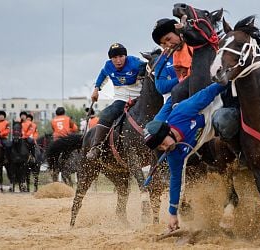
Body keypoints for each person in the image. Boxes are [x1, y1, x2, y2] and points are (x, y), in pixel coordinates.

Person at [143, 82, 227, 232]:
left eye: (163, 143)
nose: (164, 149)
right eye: (160, 148)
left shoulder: (184, 110)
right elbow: (176, 181)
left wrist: (228, 79)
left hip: (218, 109)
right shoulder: (173, 154)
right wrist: (172, 214)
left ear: (168, 132)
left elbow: (209, 91)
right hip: (208, 136)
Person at [86, 43, 146, 160]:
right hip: (121, 98)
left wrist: (142, 74)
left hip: (139, 96)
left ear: (125, 56)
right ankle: (96, 147)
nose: (118, 60)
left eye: (121, 56)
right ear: (111, 59)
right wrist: (96, 90)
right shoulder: (108, 66)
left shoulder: (136, 62)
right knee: (106, 115)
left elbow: (148, 67)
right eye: (114, 58)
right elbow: (103, 75)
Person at [151, 18, 193, 122]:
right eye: (164, 44)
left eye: (169, 39)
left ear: (178, 32)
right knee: (156, 125)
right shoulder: (161, 60)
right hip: (175, 96)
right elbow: (161, 87)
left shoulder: (194, 45)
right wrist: (182, 80)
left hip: (199, 87)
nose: (168, 45)